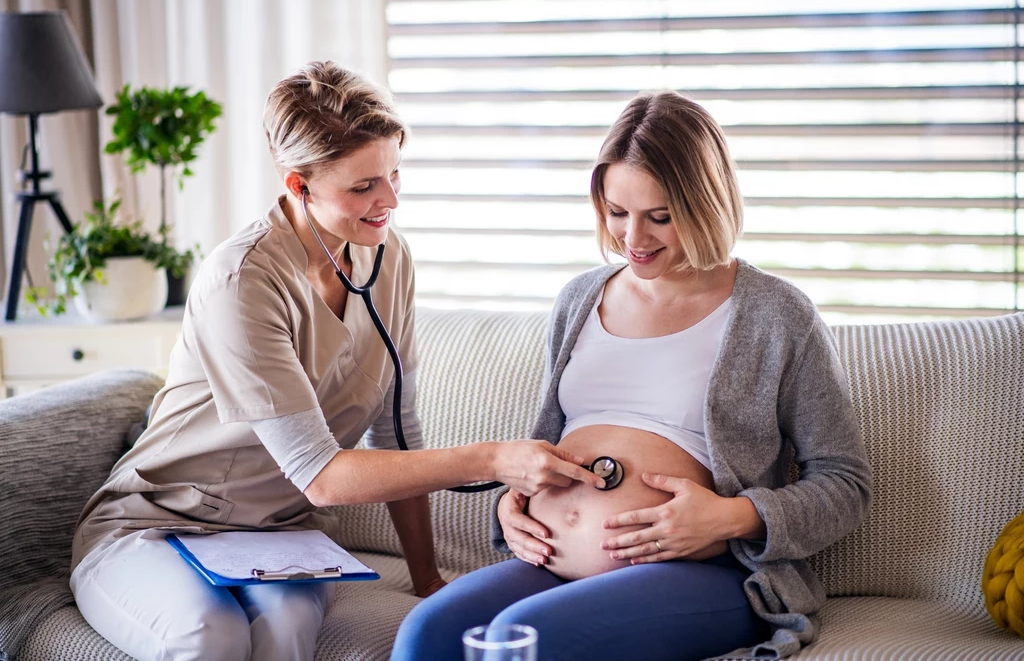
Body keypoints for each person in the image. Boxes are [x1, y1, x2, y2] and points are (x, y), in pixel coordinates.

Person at [69, 61, 603, 661]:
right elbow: (321, 477)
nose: (390, 200)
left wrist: (427, 580)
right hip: (157, 524)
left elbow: (398, 437)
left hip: (274, 537)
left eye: (395, 174)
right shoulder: (241, 279)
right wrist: (493, 459)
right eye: (363, 186)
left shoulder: (389, 258)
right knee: (208, 635)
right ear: (299, 186)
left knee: (287, 629)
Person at [391, 91, 873, 661]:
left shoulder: (776, 314)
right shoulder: (579, 299)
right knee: (427, 634)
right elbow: (548, 446)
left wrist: (732, 516)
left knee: (525, 638)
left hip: (706, 573)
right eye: (618, 213)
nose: (634, 240)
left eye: (660, 217)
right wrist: (514, 503)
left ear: (706, 204)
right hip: (551, 564)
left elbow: (845, 483)